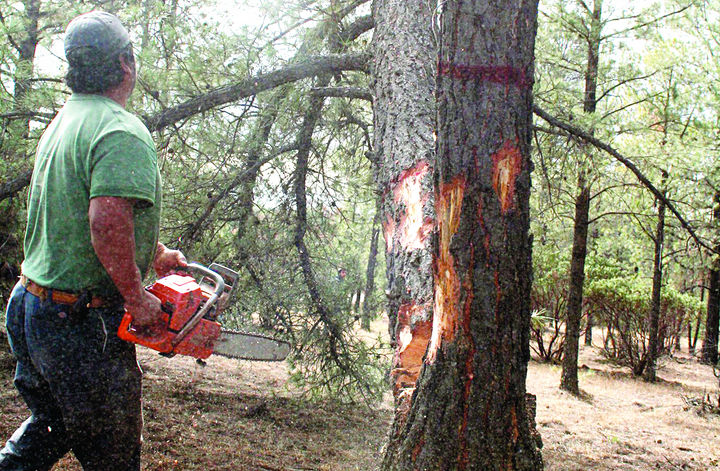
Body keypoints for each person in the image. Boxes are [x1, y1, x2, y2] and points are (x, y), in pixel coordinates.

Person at [0, 11, 186, 470]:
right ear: (125, 63)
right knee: (112, 455)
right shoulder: (121, 130)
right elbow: (105, 223)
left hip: (32, 306)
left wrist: (155, 253)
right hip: (80, 323)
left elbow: (74, 210)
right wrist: (136, 298)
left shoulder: (66, 120)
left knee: (52, 426)